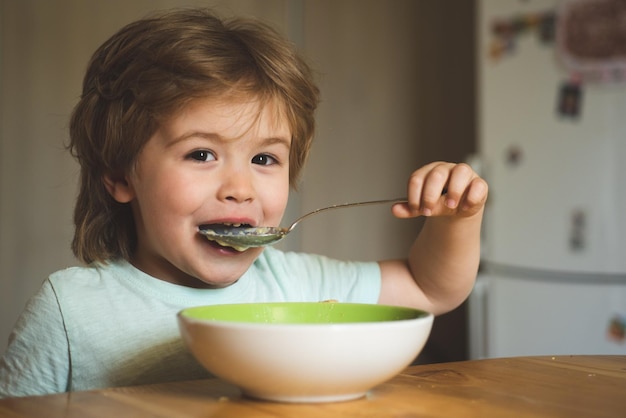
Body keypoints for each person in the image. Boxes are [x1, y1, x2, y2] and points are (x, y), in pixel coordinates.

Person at [0, 8, 488, 398]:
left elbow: (430, 288)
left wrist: (456, 220)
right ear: (120, 175)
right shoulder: (69, 311)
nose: (241, 187)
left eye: (263, 158)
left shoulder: (297, 286)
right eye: (202, 153)